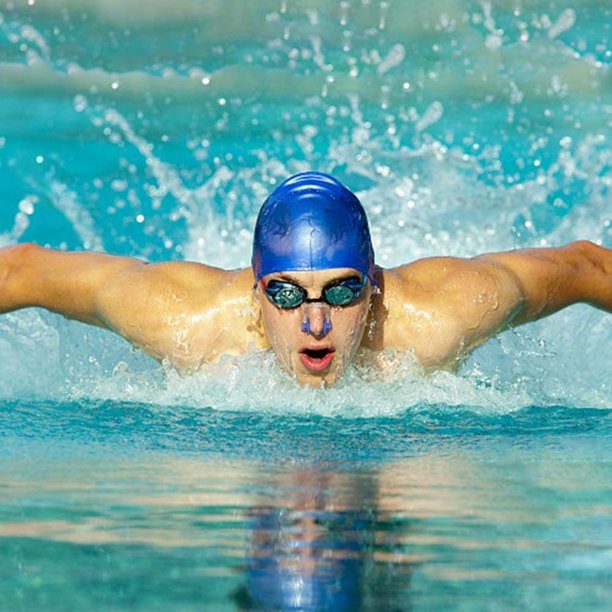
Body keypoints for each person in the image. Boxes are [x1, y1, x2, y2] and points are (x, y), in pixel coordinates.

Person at [0, 172, 610, 386]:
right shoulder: (185, 321)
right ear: (255, 290)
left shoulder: (442, 315)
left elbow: (585, 265)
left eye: (342, 291)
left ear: (373, 287)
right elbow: (20, 268)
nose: (315, 321)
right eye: (288, 295)